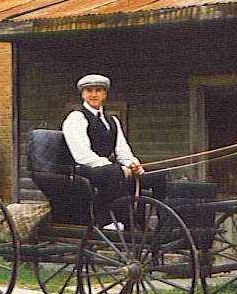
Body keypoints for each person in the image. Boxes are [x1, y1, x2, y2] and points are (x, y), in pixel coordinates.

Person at [61, 74, 164, 227]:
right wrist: (117, 167)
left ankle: (162, 226)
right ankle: (119, 222)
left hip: (111, 169)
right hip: (87, 169)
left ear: (104, 94)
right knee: (115, 173)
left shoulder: (113, 120)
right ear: (83, 94)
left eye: (98, 91)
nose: (94, 94)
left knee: (158, 173)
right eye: (89, 91)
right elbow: (82, 155)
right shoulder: (76, 118)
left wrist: (133, 164)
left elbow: (123, 150)